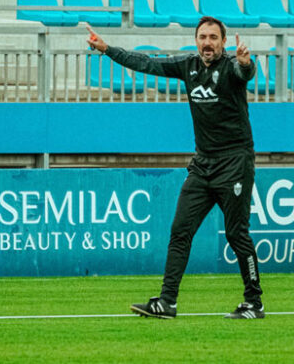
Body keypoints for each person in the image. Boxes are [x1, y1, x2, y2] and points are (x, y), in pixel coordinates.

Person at [86, 16, 264, 320]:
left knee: (237, 234)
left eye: (213, 38)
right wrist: (107, 49)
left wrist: (247, 64)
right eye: (202, 37)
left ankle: (254, 303)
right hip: (203, 164)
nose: (207, 42)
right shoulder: (188, 66)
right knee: (180, 230)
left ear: (223, 42)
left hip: (235, 163)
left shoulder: (232, 68)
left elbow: (244, 72)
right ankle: (167, 302)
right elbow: (146, 63)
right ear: (196, 40)